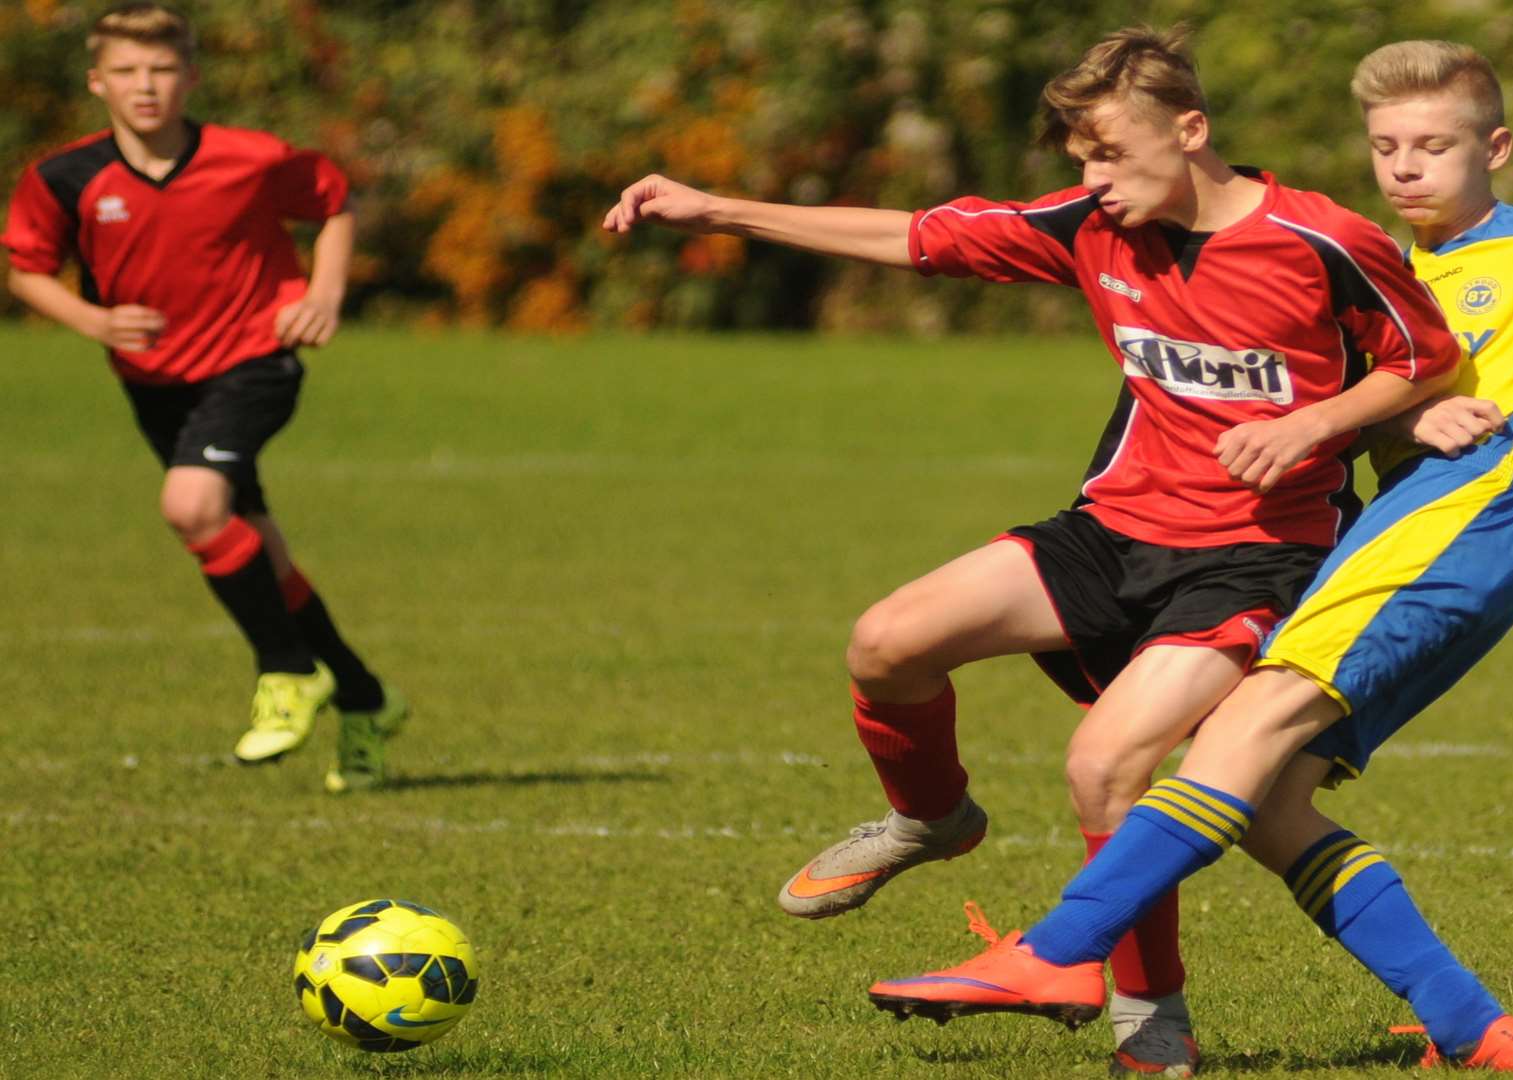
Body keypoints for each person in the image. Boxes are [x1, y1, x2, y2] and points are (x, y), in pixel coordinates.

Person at [868, 38, 1513, 1071]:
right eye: (1387, 146)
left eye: (1435, 145)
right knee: (1269, 801)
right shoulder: (1364, 259)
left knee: (1243, 734)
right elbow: (1350, 390)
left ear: (1493, 147)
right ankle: (1476, 1028)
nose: (1408, 167)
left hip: (1469, 518)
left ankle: (1056, 951)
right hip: (1393, 526)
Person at [605, 26, 1463, 1076]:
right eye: (1080, 161)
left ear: (1191, 130)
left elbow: (1425, 360)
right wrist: (717, 208)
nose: (1093, 181)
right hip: (1109, 532)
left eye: (1110, 153)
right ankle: (930, 819)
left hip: (1256, 559)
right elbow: (913, 236)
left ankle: (1153, 1029)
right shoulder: (1090, 227)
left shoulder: (1322, 238)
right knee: (886, 644)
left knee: (1107, 770)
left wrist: (1312, 426)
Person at [2, 3, 409, 793]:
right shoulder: (64, 177)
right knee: (259, 553)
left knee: (190, 505)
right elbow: (25, 269)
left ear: (189, 77)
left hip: (254, 361)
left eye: (160, 70)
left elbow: (332, 200)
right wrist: (93, 319)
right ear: (98, 82)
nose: (144, 86)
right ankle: (365, 697)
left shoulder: (248, 158)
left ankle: (288, 670)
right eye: (126, 72)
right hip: (156, 385)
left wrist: (323, 292)